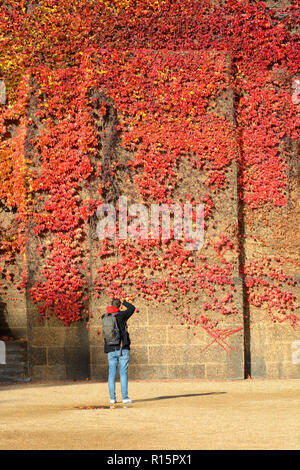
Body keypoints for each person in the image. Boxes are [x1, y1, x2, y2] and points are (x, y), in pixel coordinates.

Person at [102, 298, 135, 404]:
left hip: (110, 348)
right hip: (122, 348)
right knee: (123, 373)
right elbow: (132, 308)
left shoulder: (105, 316)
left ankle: (112, 398)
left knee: (111, 374)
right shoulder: (122, 315)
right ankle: (124, 398)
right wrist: (124, 301)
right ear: (119, 306)